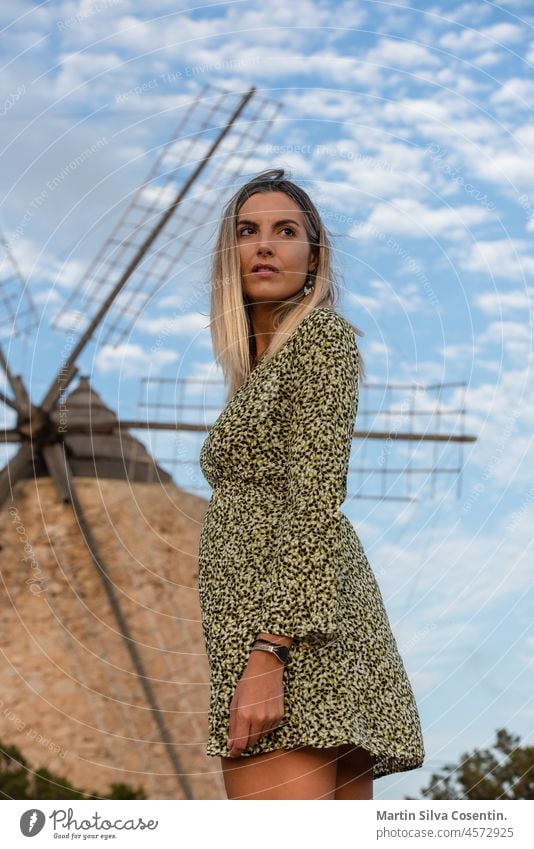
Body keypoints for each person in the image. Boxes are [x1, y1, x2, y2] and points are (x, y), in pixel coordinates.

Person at [198, 168, 425, 800]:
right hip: (307, 627)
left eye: (285, 231)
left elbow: (314, 499)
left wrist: (269, 651)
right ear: (230, 253)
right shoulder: (267, 366)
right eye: (248, 231)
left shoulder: (320, 340)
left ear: (314, 256)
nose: (264, 245)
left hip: (289, 637)